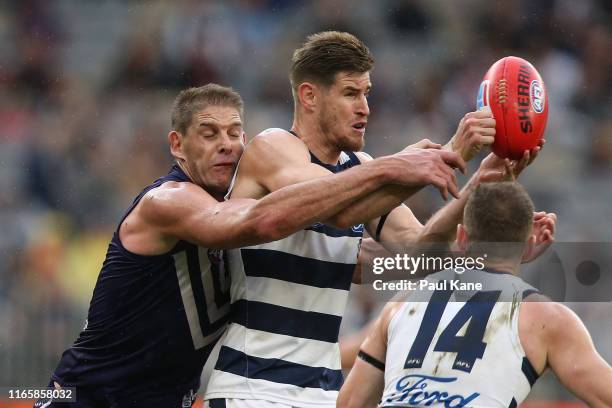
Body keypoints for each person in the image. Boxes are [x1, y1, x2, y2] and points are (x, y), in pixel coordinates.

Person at [37, 83, 463, 408]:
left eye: (235, 133)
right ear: (177, 145)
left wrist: (477, 247)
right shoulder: (169, 201)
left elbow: (368, 259)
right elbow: (261, 221)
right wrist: (390, 169)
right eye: (208, 133)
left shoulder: (233, 206)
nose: (226, 143)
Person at [204, 31, 548, 407]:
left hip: (321, 392)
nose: (365, 107)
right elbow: (336, 208)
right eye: (351, 93)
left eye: (366, 93)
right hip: (252, 387)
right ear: (309, 96)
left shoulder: (361, 169)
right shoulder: (273, 147)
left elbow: (420, 260)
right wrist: (441, 155)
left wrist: (477, 187)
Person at [337, 182, 612, 408]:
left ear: (462, 236)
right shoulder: (545, 317)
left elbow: (350, 403)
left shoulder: (403, 300)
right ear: (530, 243)